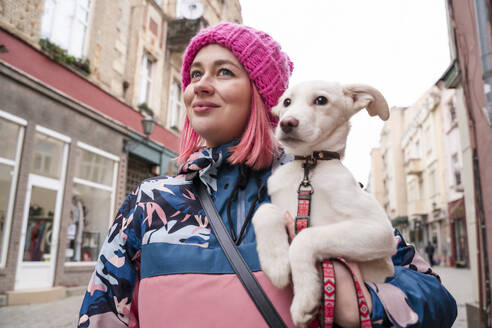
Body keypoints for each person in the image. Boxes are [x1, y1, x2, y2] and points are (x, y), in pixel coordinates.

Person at [78, 22, 456, 328]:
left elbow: (436, 301)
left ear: (264, 95)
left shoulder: (323, 188)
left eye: (224, 72)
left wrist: (360, 303)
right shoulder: (150, 203)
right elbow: (101, 315)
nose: (200, 85)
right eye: (195, 74)